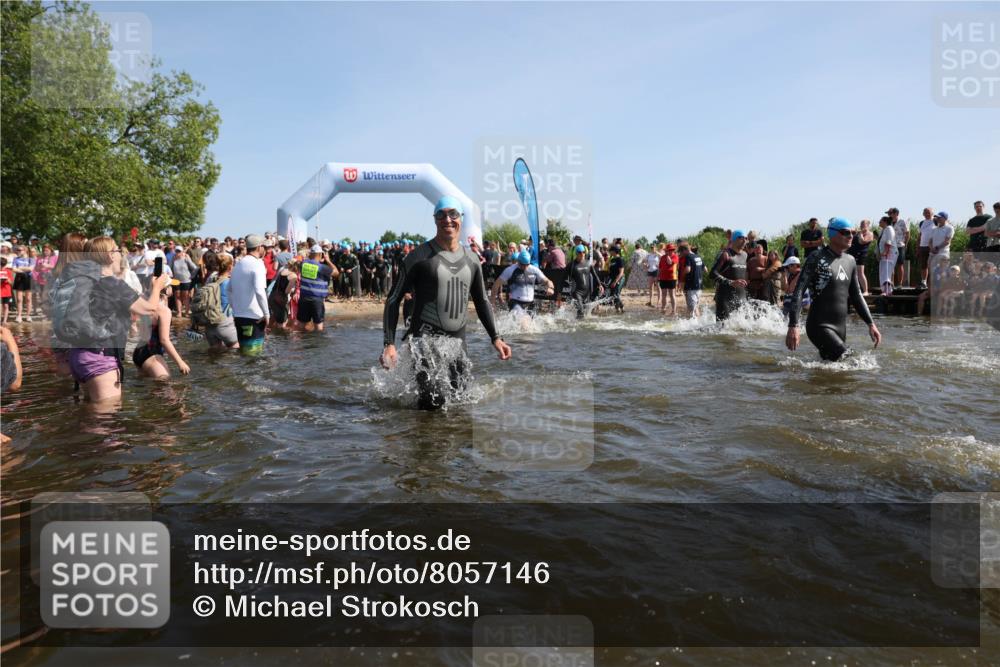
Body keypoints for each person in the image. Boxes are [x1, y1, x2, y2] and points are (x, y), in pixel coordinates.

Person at [380, 196, 511, 410]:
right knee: (432, 405)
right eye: (441, 214)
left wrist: (496, 338)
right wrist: (389, 344)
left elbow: (482, 300)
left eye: (453, 214)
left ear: (461, 218)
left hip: (458, 345)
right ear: (435, 219)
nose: (447, 219)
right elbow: (393, 300)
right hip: (425, 344)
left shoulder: (473, 260)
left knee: (462, 404)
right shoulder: (418, 257)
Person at [54, 237, 168, 402]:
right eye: (117, 250)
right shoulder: (112, 284)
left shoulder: (87, 281)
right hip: (100, 358)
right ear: (109, 256)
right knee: (105, 419)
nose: (121, 254)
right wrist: (157, 286)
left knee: (89, 413)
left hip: (78, 355)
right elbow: (149, 308)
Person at [785, 218, 880, 362]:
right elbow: (798, 291)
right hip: (819, 325)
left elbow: (856, 296)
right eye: (845, 232)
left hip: (840, 327)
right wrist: (793, 325)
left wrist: (871, 324)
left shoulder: (850, 260)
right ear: (832, 234)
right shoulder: (816, 257)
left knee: (833, 370)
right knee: (851, 360)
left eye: (853, 233)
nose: (850, 236)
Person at [132, 283, 191, 378]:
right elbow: (164, 340)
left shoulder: (145, 304)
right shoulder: (164, 311)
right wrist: (180, 362)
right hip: (152, 354)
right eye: (171, 286)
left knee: (145, 387)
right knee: (165, 387)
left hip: (138, 352)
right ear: (167, 290)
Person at [228, 234, 269, 355]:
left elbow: (229, 290)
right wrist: (266, 313)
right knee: (254, 356)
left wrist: (235, 309)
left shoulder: (238, 264)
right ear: (259, 247)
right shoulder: (258, 264)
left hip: (239, 317)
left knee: (244, 354)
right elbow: (260, 291)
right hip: (255, 317)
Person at [492, 249, 554, 317]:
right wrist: (492, 304)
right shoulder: (510, 270)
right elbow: (496, 285)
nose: (525, 267)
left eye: (527, 265)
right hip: (515, 303)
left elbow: (548, 281)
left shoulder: (534, 270)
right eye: (522, 265)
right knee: (525, 323)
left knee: (531, 325)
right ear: (518, 261)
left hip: (530, 304)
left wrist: (550, 288)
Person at [298, 244, 339, 331]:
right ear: (321, 255)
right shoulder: (322, 267)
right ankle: (318, 343)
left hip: (303, 298)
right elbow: (336, 273)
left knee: (301, 324)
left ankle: (301, 343)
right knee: (318, 326)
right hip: (316, 300)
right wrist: (328, 260)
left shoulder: (303, 264)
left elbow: (298, 261)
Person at [710, 230, 749, 321]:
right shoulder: (725, 254)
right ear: (733, 240)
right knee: (722, 330)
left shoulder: (745, 255)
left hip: (741, 297)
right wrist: (731, 282)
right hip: (725, 298)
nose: (744, 241)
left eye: (746, 238)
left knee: (740, 330)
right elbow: (712, 274)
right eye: (741, 238)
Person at [566, 244, 603, 319]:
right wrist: (559, 293)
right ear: (576, 253)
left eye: (583, 252)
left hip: (587, 293)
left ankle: (578, 325)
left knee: (586, 313)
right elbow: (562, 278)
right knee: (581, 311)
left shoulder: (588, 263)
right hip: (576, 292)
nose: (582, 254)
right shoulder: (571, 265)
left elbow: (595, 275)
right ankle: (577, 327)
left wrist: (600, 285)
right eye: (580, 252)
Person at [847, 219, 875, 295]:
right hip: (852, 254)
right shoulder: (858, 233)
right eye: (861, 224)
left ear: (868, 226)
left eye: (863, 224)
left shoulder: (870, 234)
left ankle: (866, 291)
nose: (861, 226)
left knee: (860, 273)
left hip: (861, 254)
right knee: (852, 273)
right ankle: (853, 290)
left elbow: (862, 241)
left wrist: (860, 234)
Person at [928, 211, 954, 288]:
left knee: (943, 271)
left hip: (943, 253)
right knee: (932, 271)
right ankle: (932, 289)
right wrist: (932, 248)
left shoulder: (949, 228)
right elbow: (930, 241)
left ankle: (943, 288)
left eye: (939, 217)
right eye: (937, 217)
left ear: (945, 218)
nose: (937, 218)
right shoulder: (934, 229)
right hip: (933, 253)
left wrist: (937, 248)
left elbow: (947, 241)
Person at [678, 243, 704, 318]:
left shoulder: (688, 257)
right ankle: (698, 323)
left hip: (691, 285)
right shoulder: (698, 256)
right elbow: (704, 269)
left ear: (685, 250)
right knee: (696, 307)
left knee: (691, 308)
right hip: (699, 285)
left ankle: (691, 326)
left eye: (681, 252)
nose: (681, 254)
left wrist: (681, 277)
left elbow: (687, 270)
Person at [171, 249, 198, 317]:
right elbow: (170, 268)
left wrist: (192, 276)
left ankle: (186, 312)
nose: (177, 252)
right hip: (176, 280)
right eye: (176, 251)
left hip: (186, 280)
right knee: (177, 296)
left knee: (186, 296)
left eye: (179, 251)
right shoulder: (173, 259)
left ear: (182, 252)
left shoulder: (186, 259)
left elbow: (195, 268)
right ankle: (179, 312)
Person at [11, 245, 35, 322]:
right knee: (19, 299)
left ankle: (28, 315)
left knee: (28, 299)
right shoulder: (15, 259)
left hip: (28, 279)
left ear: (25, 251)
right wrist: (24, 269)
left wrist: (20, 268)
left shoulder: (31, 259)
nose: (18, 251)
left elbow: (31, 268)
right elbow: (14, 269)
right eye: (17, 250)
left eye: (20, 250)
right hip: (19, 278)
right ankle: (19, 316)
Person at [886, 207, 909, 287]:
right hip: (891, 246)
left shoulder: (902, 221)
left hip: (900, 245)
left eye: (890, 213)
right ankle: (891, 283)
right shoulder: (888, 222)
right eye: (888, 213)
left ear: (896, 214)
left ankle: (900, 284)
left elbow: (907, 233)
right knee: (891, 264)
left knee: (900, 264)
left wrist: (905, 244)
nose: (889, 215)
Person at [876, 216, 897, 297]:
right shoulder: (884, 230)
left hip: (889, 254)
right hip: (885, 254)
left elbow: (889, 241)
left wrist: (885, 252)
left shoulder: (889, 229)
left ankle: (887, 291)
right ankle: (887, 290)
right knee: (884, 272)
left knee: (886, 272)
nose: (879, 222)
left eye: (880, 221)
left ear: (885, 221)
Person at [916, 208, 936, 288]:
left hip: (932, 246)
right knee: (923, 265)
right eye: (925, 212)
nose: (927, 214)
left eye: (928, 212)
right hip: (922, 246)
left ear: (932, 213)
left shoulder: (936, 221)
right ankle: (924, 282)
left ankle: (933, 282)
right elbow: (920, 235)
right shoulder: (922, 223)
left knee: (933, 265)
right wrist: (917, 247)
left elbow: (946, 226)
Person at [657, 242, 678, 315]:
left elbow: (670, 263)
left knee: (672, 294)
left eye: (671, 250)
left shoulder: (675, 256)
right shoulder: (662, 257)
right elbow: (660, 268)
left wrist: (668, 256)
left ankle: (674, 310)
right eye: (668, 250)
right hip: (663, 278)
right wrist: (658, 276)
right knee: (664, 294)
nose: (670, 251)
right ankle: (663, 308)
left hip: (672, 278)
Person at [606, 244, 625, 313]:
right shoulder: (612, 259)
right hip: (613, 279)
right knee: (613, 294)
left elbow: (621, 272)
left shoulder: (620, 259)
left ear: (614, 251)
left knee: (615, 294)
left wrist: (615, 281)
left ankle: (620, 308)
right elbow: (610, 271)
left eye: (610, 251)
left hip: (619, 279)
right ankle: (619, 308)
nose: (609, 252)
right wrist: (608, 266)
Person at [645, 243, 661, 307]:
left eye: (653, 247)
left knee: (657, 286)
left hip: (656, 270)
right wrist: (646, 265)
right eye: (651, 247)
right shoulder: (648, 255)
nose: (652, 249)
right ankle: (650, 301)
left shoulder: (658, 254)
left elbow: (663, 257)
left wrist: (657, 252)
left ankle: (659, 300)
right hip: (650, 271)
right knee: (650, 286)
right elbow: (645, 262)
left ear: (655, 248)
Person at [0, 258, 13, 324]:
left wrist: (8, 280)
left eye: (3, 265)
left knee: (6, 305)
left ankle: (4, 320)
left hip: (6, 291)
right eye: (1, 265)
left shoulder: (8, 271)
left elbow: (11, 283)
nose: (2, 267)